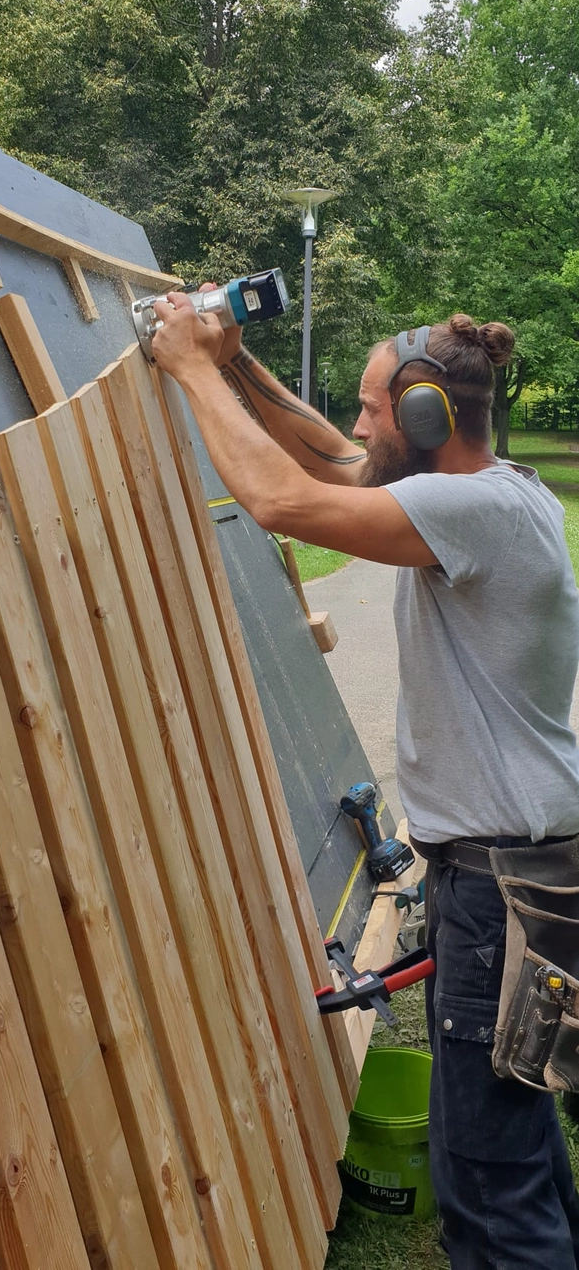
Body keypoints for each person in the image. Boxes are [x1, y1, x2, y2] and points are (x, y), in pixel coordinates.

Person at [151, 291, 579, 1270]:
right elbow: (335, 463)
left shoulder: (471, 511)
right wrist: (238, 363)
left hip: (499, 889)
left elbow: (286, 501)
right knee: (512, 1124)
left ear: (427, 417)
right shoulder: (488, 492)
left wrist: (189, 366)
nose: (355, 423)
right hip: (515, 871)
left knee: (487, 1187)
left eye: (370, 406)